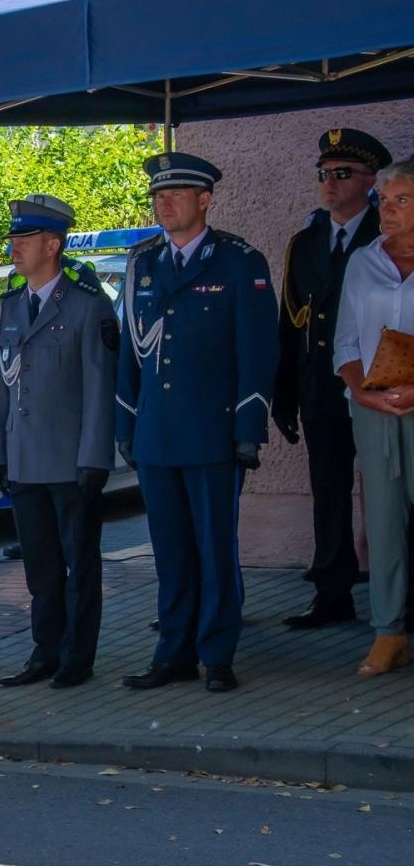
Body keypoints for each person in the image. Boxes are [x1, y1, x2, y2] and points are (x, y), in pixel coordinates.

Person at [117, 152, 278, 693]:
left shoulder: (237, 260)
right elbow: (128, 355)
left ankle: (217, 654)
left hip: (213, 431)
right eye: (158, 196)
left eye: (176, 195)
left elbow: (258, 353)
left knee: (215, 550)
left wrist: (248, 429)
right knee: (170, 552)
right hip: (158, 434)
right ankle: (174, 653)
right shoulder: (143, 263)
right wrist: (126, 425)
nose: (164, 204)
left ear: (204, 200)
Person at [0, 195, 118, 689]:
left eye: (24, 240)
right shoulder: (10, 306)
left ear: (53, 245)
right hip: (24, 460)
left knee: (78, 566)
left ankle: (76, 657)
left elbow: (99, 390)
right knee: (40, 567)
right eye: (14, 239)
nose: (14, 248)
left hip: (70, 461)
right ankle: (44, 649)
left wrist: (94, 458)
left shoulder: (88, 306)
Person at [274, 129, 392, 628]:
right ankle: (332, 592)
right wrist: (283, 394)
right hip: (321, 388)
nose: (329, 184)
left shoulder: (388, 237)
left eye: (342, 174)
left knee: (389, 490)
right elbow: (291, 322)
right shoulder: (306, 243)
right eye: (324, 174)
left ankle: (396, 591)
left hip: (378, 387)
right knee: (329, 490)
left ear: (370, 182)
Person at [333, 155, 414, 677]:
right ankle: (389, 632)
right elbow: (344, 340)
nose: (388, 210)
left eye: (402, 200)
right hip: (375, 408)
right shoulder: (363, 261)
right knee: (383, 524)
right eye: (385, 200)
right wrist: (361, 392)